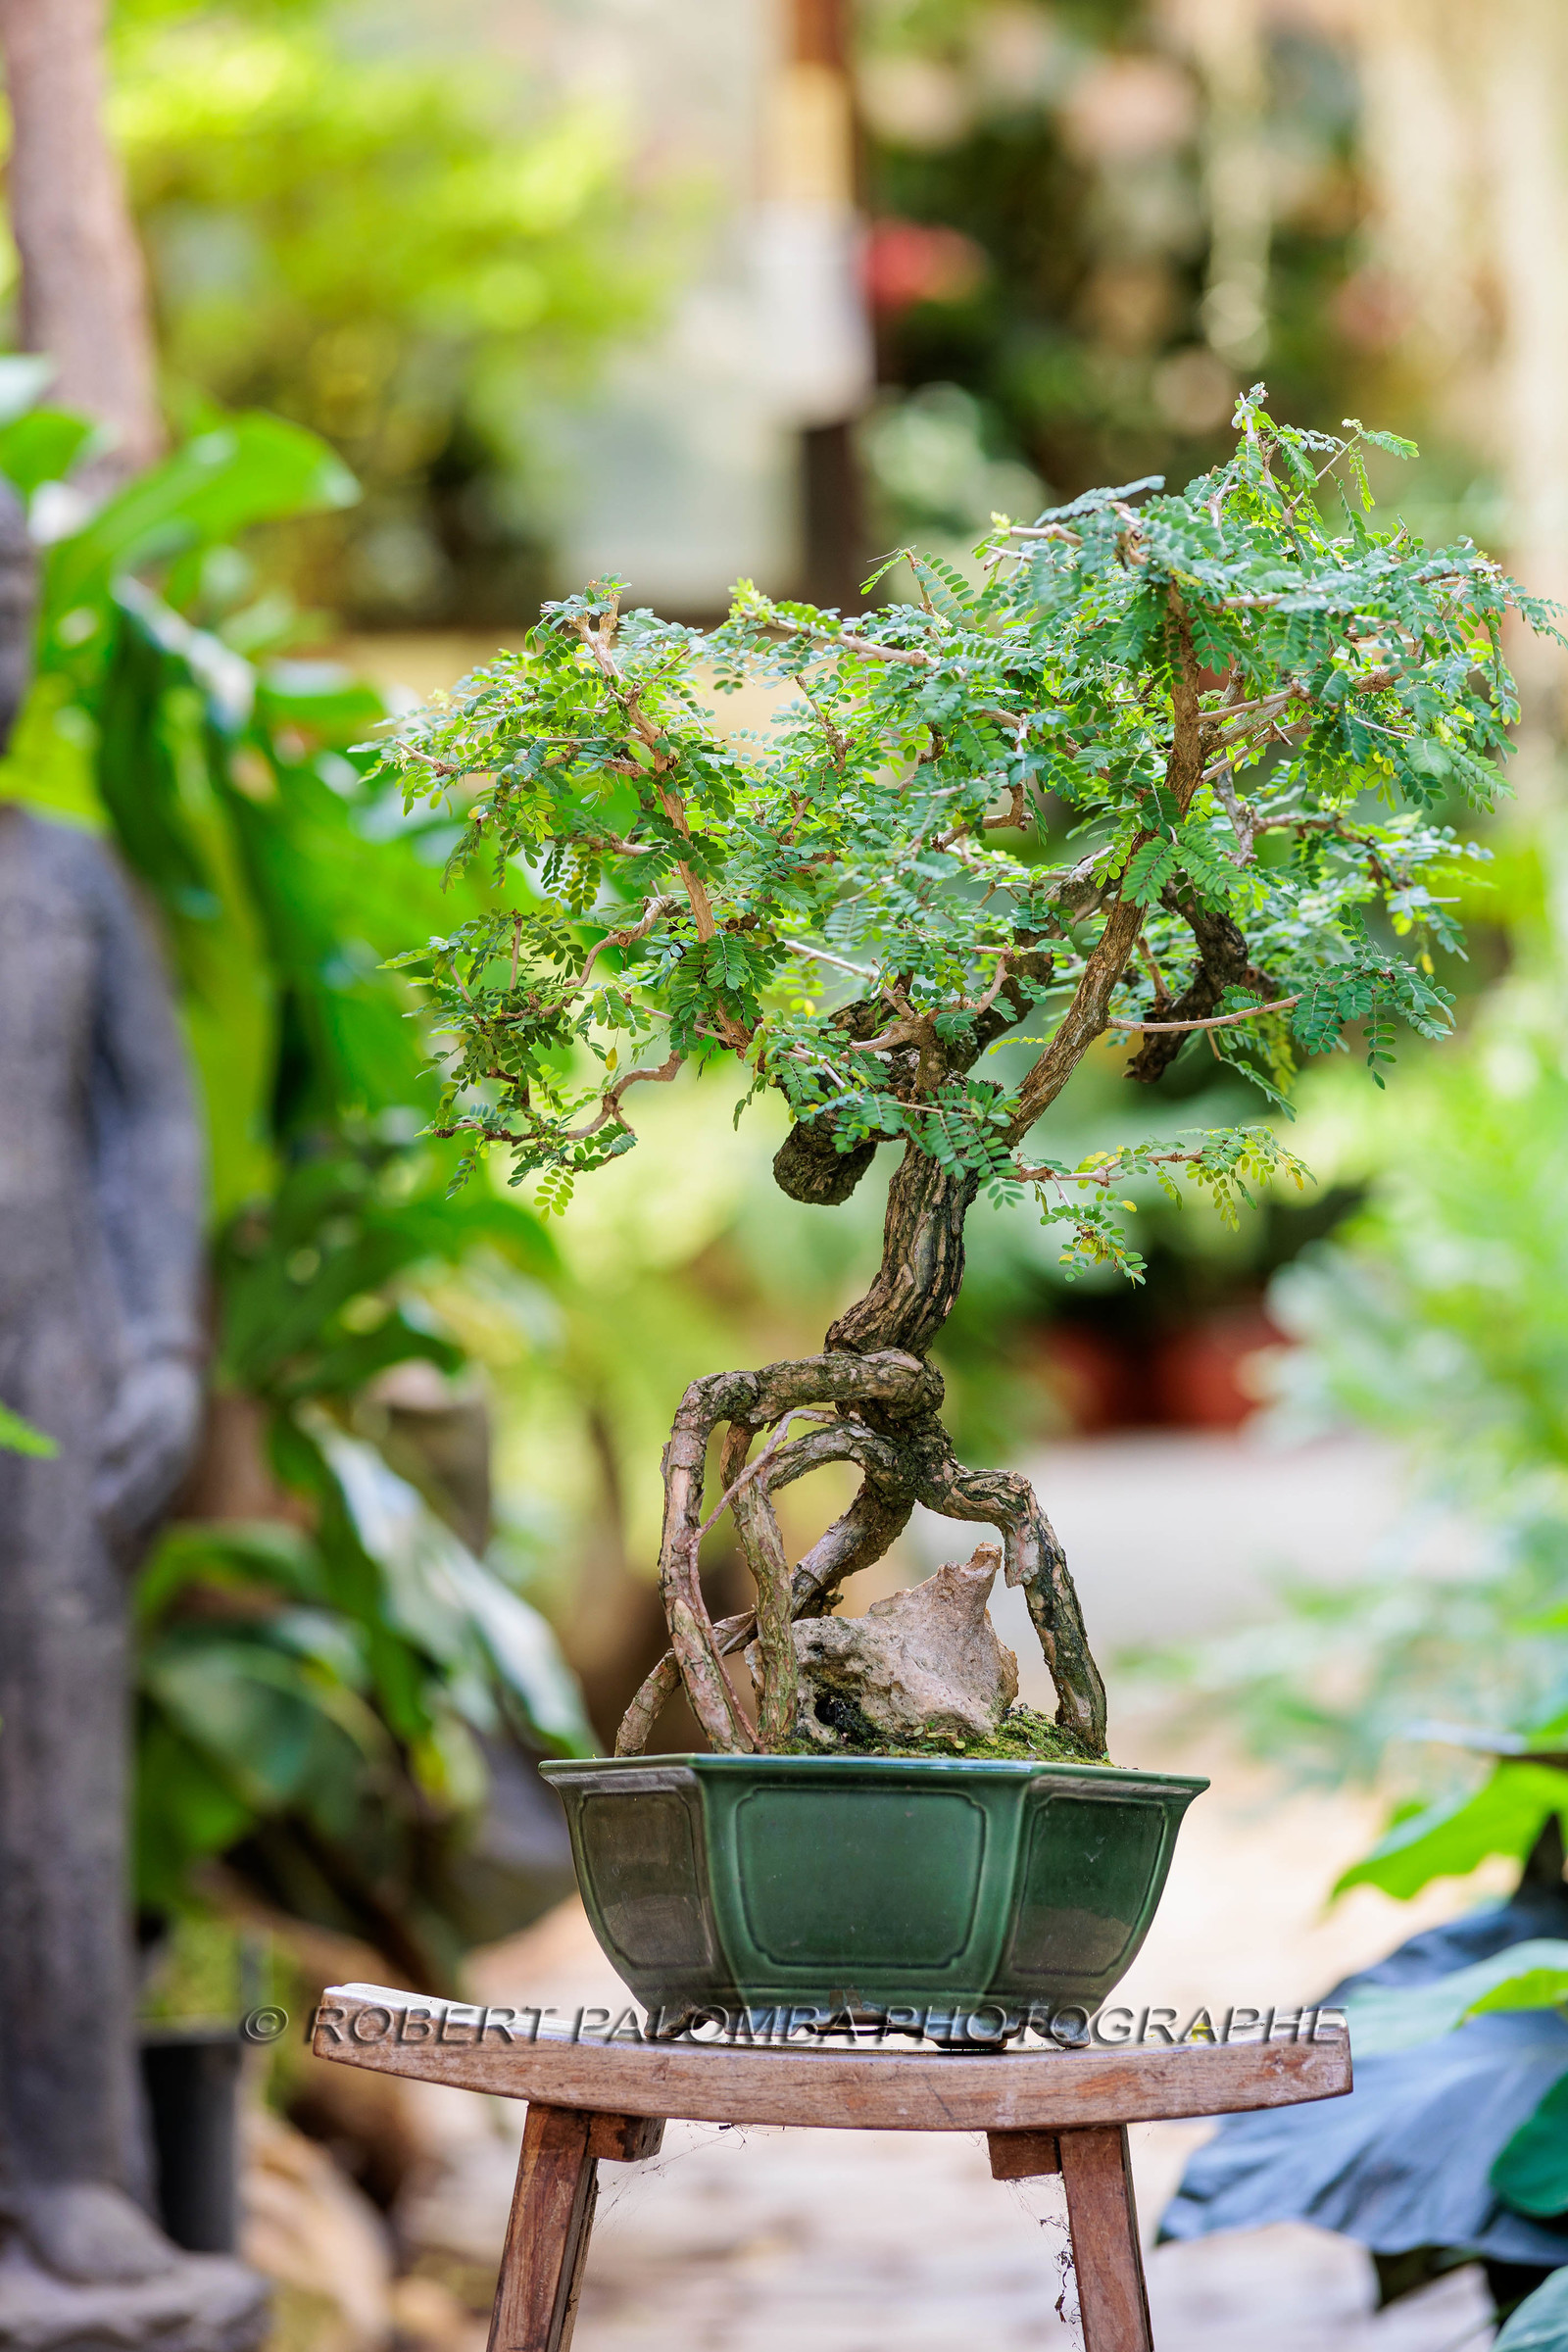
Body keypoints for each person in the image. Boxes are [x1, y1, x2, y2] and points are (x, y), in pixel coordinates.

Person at [0, 484, 266, 2342]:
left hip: (60, 1383)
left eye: (14, 600)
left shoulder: (68, 878)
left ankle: (78, 2175)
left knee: (59, 1804)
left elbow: (156, 1117)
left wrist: (167, 1352)